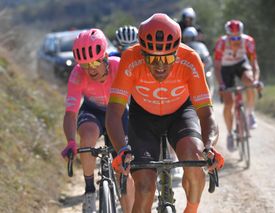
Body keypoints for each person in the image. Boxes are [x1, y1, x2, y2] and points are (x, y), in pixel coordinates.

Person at [106, 13, 224, 213]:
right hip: (143, 118)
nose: (160, 65)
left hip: (180, 114)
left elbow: (206, 114)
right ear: (141, 52)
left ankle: (191, 210)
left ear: (177, 52)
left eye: (168, 57)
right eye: (151, 58)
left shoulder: (190, 59)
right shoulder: (130, 58)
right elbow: (113, 113)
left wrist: (209, 146)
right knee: (144, 187)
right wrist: (121, 150)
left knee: (195, 161)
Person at [60, 28, 134, 213]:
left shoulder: (119, 67)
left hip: (117, 112)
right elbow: (70, 113)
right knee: (87, 137)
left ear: (105, 57)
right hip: (93, 111)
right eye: (84, 65)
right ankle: (90, 189)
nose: (90, 69)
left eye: (94, 62)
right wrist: (70, 141)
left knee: (123, 169)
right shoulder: (77, 74)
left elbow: (138, 99)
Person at [213, 19, 262, 152]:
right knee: (229, 103)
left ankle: (250, 113)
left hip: (241, 64)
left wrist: (256, 80)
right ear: (227, 36)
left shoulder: (248, 42)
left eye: (238, 37)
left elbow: (254, 65)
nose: (235, 40)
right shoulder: (221, 43)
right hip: (225, 68)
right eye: (232, 37)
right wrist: (221, 85)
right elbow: (217, 68)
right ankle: (229, 134)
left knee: (250, 82)